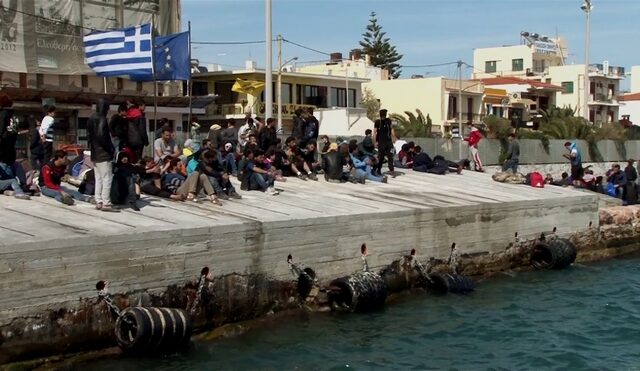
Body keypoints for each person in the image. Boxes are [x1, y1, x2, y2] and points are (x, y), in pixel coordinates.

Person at [87, 99, 116, 211]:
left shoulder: (90, 118)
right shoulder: (102, 119)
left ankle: (98, 200)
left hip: (94, 152)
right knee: (107, 178)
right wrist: (110, 149)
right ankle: (106, 203)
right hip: (103, 153)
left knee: (98, 178)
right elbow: (102, 136)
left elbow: (90, 137)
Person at [373, 109, 396, 177]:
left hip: (388, 141)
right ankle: (379, 169)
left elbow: (391, 129)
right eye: (382, 116)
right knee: (381, 157)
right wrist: (375, 142)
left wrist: (393, 137)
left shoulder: (388, 121)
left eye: (384, 115)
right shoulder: (377, 122)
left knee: (390, 155)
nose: (383, 117)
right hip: (381, 141)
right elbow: (375, 132)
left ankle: (391, 170)